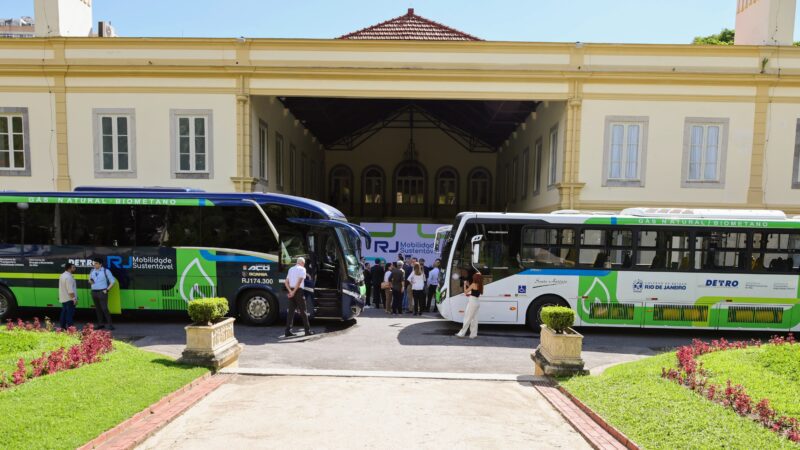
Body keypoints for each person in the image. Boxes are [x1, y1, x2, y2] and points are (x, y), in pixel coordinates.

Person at [284, 257, 314, 337]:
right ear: (302, 263)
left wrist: (290, 291)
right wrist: (294, 292)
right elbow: (300, 281)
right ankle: (307, 331)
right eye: (304, 264)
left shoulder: (291, 269)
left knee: (291, 312)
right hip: (299, 291)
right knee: (303, 311)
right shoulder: (302, 269)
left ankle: (288, 331)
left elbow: (286, 282)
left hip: (291, 290)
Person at [89, 257, 116, 331]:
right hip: (94, 292)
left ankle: (110, 325)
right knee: (98, 309)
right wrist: (91, 281)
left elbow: (112, 281)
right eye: (94, 263)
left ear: (100, 264)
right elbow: (90, 280)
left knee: (104, 308)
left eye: (96, 263)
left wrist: (107, 290)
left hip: (102, 292)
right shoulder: (92, 271)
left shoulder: (106, 271)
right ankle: (100, 324)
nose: (94, 265)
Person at [455, 272, 484, 339]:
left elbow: (465, 292)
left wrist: (465, 285)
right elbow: (474, 290)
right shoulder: (480, 285)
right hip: (477, 302)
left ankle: (461, 334)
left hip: (472, 302)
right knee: (474, 319)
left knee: (467, 318)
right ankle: (473, 334)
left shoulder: (473, 284)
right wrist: (469, 285)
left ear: (475, 278)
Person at [58, 263, 78, 330]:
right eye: (73, 267)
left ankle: (63, 328)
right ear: (69, 268)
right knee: (69, 315)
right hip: (69, 299)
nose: (75, 268)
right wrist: (74, 299)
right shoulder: (69, 277)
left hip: (63, 298)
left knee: (63, 314)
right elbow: (70, 290)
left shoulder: (62, 275)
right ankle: (71, 329)